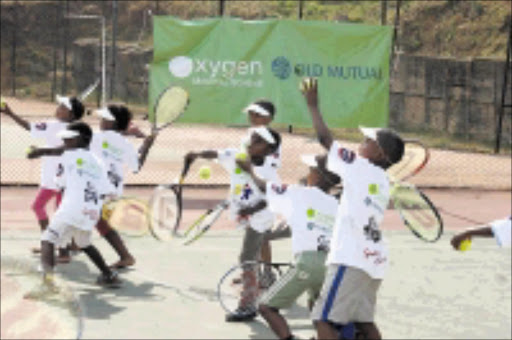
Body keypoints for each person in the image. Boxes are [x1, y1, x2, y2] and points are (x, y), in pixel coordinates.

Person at [301, 78, 405, 340]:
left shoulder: (361, 167)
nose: (361, 142)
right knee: (364, 323)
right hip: (374, 260)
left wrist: (313, 105)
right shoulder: (382, 180)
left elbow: (325, 139)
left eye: (368, 140)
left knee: (322, 320)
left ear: (380, 154)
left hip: (351, 257)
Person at [27, 104, 157, 269]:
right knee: (97, 223)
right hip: (111, 190)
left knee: (75, 216)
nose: (101, 121)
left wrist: (41, 151)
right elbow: (137, 166)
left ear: (112, 123)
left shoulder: (97, 137)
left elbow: (67, 148)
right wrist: (146, 145)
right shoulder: (125, 143)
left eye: (104, 119)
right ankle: (120, 257)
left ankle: (65, 252)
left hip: (94, 187)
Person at [237, 153, 340, 340]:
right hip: (332, 264)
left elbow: (263, 187)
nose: (307, 174)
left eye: (310, 170)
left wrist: (248, 170)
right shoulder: (337, 203)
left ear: (316, 176)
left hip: (308, 262)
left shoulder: (299, 193)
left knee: (266, 307)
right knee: (319, 313)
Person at [185, 126, 281, 322]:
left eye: (258, 141)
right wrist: (196, 154)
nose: (251, 141)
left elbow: (270, 197)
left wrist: (250, 209)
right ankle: (260, 286)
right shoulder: (237, 155)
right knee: (250, 256)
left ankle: (248, 305)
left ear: (268, 150)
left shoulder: (268, 170)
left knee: (247, 257)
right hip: (246, 215)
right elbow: (218, 153)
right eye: (252, 137)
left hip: (261, 217)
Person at [25, 122, 121, 300]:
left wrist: (40, 151)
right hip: (92, 211)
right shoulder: (97, 161)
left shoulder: (67, 156)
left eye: (68, 139)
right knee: (83, 243)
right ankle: (108, 275)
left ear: (80, 139)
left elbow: (60, 183)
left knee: (47, 239)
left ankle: (47, 285)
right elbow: (108, 192)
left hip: (72, 208)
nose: (65, 141)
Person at [0, 95, 85, 262]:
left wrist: (10, 113)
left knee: (54, 212)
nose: (58, 108)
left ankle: (64, 252)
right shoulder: (76, 129)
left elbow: (28, 126)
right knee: (48, 209)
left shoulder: (55, 126)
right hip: (59, 180)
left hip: (61, 181)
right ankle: (55, 244)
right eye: (59, 105)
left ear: (71, 114)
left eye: (63, 107)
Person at [242, 99, 284, 273]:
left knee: (262, 235)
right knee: (252, 234)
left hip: (265, 189)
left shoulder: (271, 139)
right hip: (251, 188)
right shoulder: (251, 134)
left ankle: (266, 273)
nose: (252, 117)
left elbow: (261, 167)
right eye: (251, 113)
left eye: (257, 114)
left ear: (268, 118)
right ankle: (252, 272)